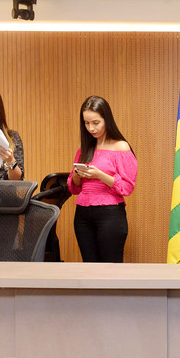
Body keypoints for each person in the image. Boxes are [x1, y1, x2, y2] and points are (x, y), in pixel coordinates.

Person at [67, 96, 138, 263]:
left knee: (110, 268)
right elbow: (74, 188)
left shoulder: (120, 147)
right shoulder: (84, 148)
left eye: (96, 122)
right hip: (83, 214)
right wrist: (77, 175)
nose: (91, 128)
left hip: (110, 214)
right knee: (89, 266)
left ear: (107, 119)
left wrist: (100, 175)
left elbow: (127, 187)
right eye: (86, 123)